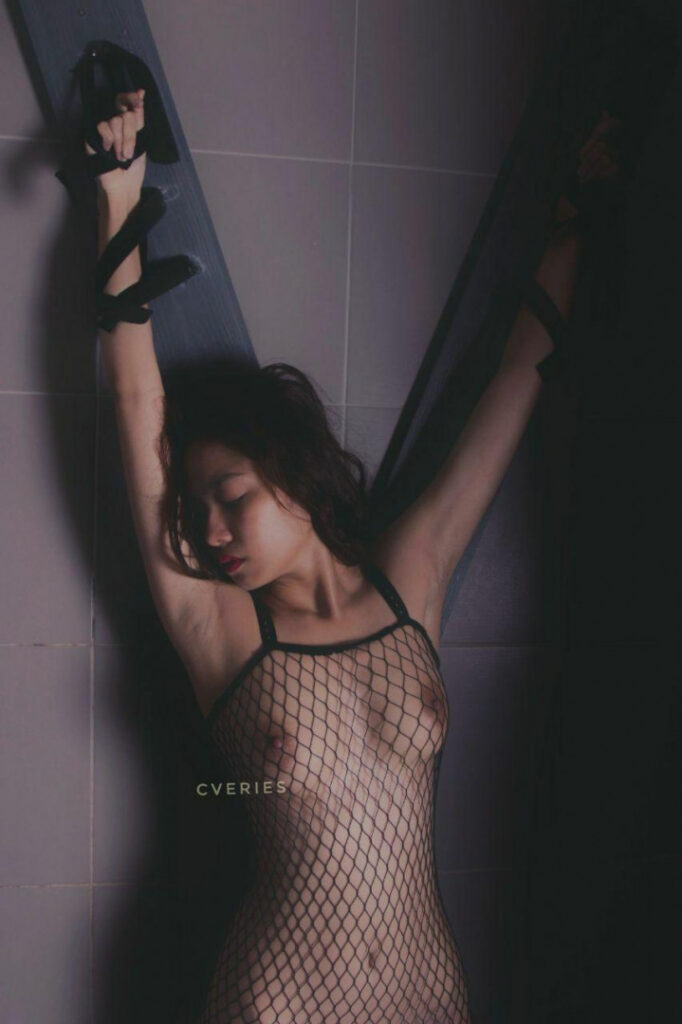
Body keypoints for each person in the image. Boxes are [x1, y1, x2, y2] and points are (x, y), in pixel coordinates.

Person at [90, 89, 618, 1023]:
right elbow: (138, 409)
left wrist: (583, 209)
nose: (212, 532)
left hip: (429, 995)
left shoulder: (410, 579)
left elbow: (516, 380)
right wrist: (118, 197)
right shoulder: (222, 630)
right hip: (277, 1004)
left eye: (232, 497)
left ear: (293, 473)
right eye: (197, 511)